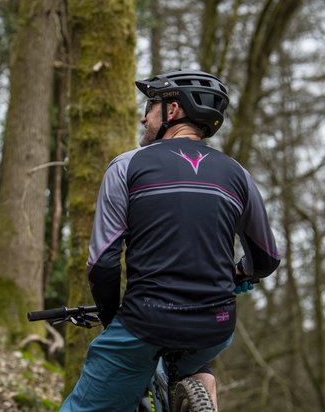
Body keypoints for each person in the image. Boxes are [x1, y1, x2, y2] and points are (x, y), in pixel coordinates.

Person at [60, 69, 281, 411]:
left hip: (146, 320)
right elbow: (266, 259)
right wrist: (237, 275)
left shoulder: (126, 166)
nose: (142, 116)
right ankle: (202, 393)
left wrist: (112, 319)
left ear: (172, 111)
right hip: (216, 324)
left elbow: (102, 262)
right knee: (198, 363)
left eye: (150, 106)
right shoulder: (238, 174)